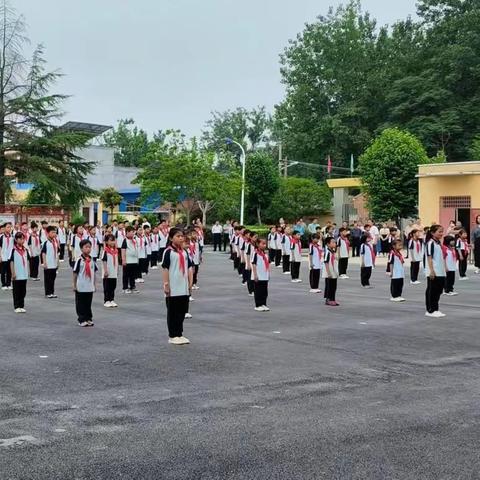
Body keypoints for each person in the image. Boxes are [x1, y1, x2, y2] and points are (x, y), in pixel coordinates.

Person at [162, 227, 193, 345]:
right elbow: (165, 268)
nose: (181, 238)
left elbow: (189, 268)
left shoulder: (184, 252)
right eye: (178, 236)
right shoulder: (168, 252)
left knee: (181, 311)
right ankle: (172, 335)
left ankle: (179, 333)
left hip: (183, 287)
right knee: (173, 311)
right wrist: (166, 285)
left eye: (182, 236)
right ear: (171, 238)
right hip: (173, 287)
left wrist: (190, 284)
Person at [73, 239, 97, 327]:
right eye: (86, 247)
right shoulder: (79, 260)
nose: (88, 249)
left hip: (89, 286)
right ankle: (81, 319)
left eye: (89, 247)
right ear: (81, 248)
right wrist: (74, 285)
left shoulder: (92, 260)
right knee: (80, 303)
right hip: (81, 286)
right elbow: (75, 273)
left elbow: (94, 272)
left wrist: (94, 284)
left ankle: (88, 318)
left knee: (88, 303)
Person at [425, 224, 446, 318]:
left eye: (442, 231)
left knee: (438, 291)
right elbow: (429, 258)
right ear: (433, 233)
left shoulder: (438, 243)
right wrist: (431, 270)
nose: (441, 233)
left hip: (440, 270)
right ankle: (430, 310)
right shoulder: (431, 243)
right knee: (432, 290)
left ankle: (435, 309)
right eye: (439, 231)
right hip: (434, 270)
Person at [10, 232, 29, 313]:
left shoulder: (25, 250)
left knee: (23, 291)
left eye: (23, 239)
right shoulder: (13, 250)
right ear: (16, 240)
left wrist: (28, 271)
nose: (22, 240)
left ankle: (21, 305)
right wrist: (13, 273)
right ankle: (16, 306)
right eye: (20, 239)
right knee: (16, 291)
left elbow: (27, 261)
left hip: (24, 273)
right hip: (17, 274)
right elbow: (11, 262)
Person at [251, 237, 270, 312]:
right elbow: (254, 264)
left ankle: (263, 304)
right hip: (258, 275)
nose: (264, 245)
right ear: (257, 244)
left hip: (264, 275)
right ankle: (258, 305)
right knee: (258, 291)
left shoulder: (265, 254)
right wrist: (255, 275)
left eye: (265, 244)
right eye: (263, 244)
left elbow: (267, 265)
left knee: (264, 291)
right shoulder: (255, 253)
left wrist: (268, 274)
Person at [41, 226, 59, 299]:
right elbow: (43, 253)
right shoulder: (45, 243)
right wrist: (44, 262)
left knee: (52, 279)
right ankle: (48, 293)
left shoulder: (55, 242)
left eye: (55, 232)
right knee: (48, 279)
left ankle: (52, 292)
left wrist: (58, 262)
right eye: (52, 232)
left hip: (54, 264)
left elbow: (57, 253)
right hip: (48, 264)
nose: (54, 234)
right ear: (48, 233)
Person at [102, 233, 119, 308]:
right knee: (107, 287)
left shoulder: (115, 251)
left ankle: (112, 299)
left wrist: (117, 270)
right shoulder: (105, 251)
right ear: (106, 242)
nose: (112, 242)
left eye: (113, 241)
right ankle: (106, 300)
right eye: (110, 241)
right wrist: (105, 271)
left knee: (113, 286)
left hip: (114, 272)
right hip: (107, 272)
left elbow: (117, 261)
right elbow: (104, 261)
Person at [121, 226, 139, 294]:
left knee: (132, 275)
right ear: (127, 232)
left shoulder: (134, 240)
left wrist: (137, 259)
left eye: (133, 232)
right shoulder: (125, 240)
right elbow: (123, 250)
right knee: (126, 275)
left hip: (134, 261)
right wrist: (123, 260)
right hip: (128, 261)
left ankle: (132, 286)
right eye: (132, 232)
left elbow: (136, 250)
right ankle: (125, 287)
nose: (133, 233)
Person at [323, 237, 339, 306]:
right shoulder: (327, 252)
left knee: (334, 286)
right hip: (329, 272)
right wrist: (328, 273)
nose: (335, 243)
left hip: (334, 271)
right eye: (333, 242)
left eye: (335, 242)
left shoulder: (333, 251)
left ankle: (333, 299)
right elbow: (326, 262)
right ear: (328, 244)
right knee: (329, 286)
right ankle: (328, 299)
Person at [0, 222, 14, 290]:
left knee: (9, 271)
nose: (9, 228)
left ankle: (8, 284)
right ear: (4, 228)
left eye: (10, 227)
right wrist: (0, 256)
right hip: (3, 257)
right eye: (8, 227)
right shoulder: (1, 237)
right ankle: (3, 284)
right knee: (3, 272)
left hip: (10, 256)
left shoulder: (12, 237)